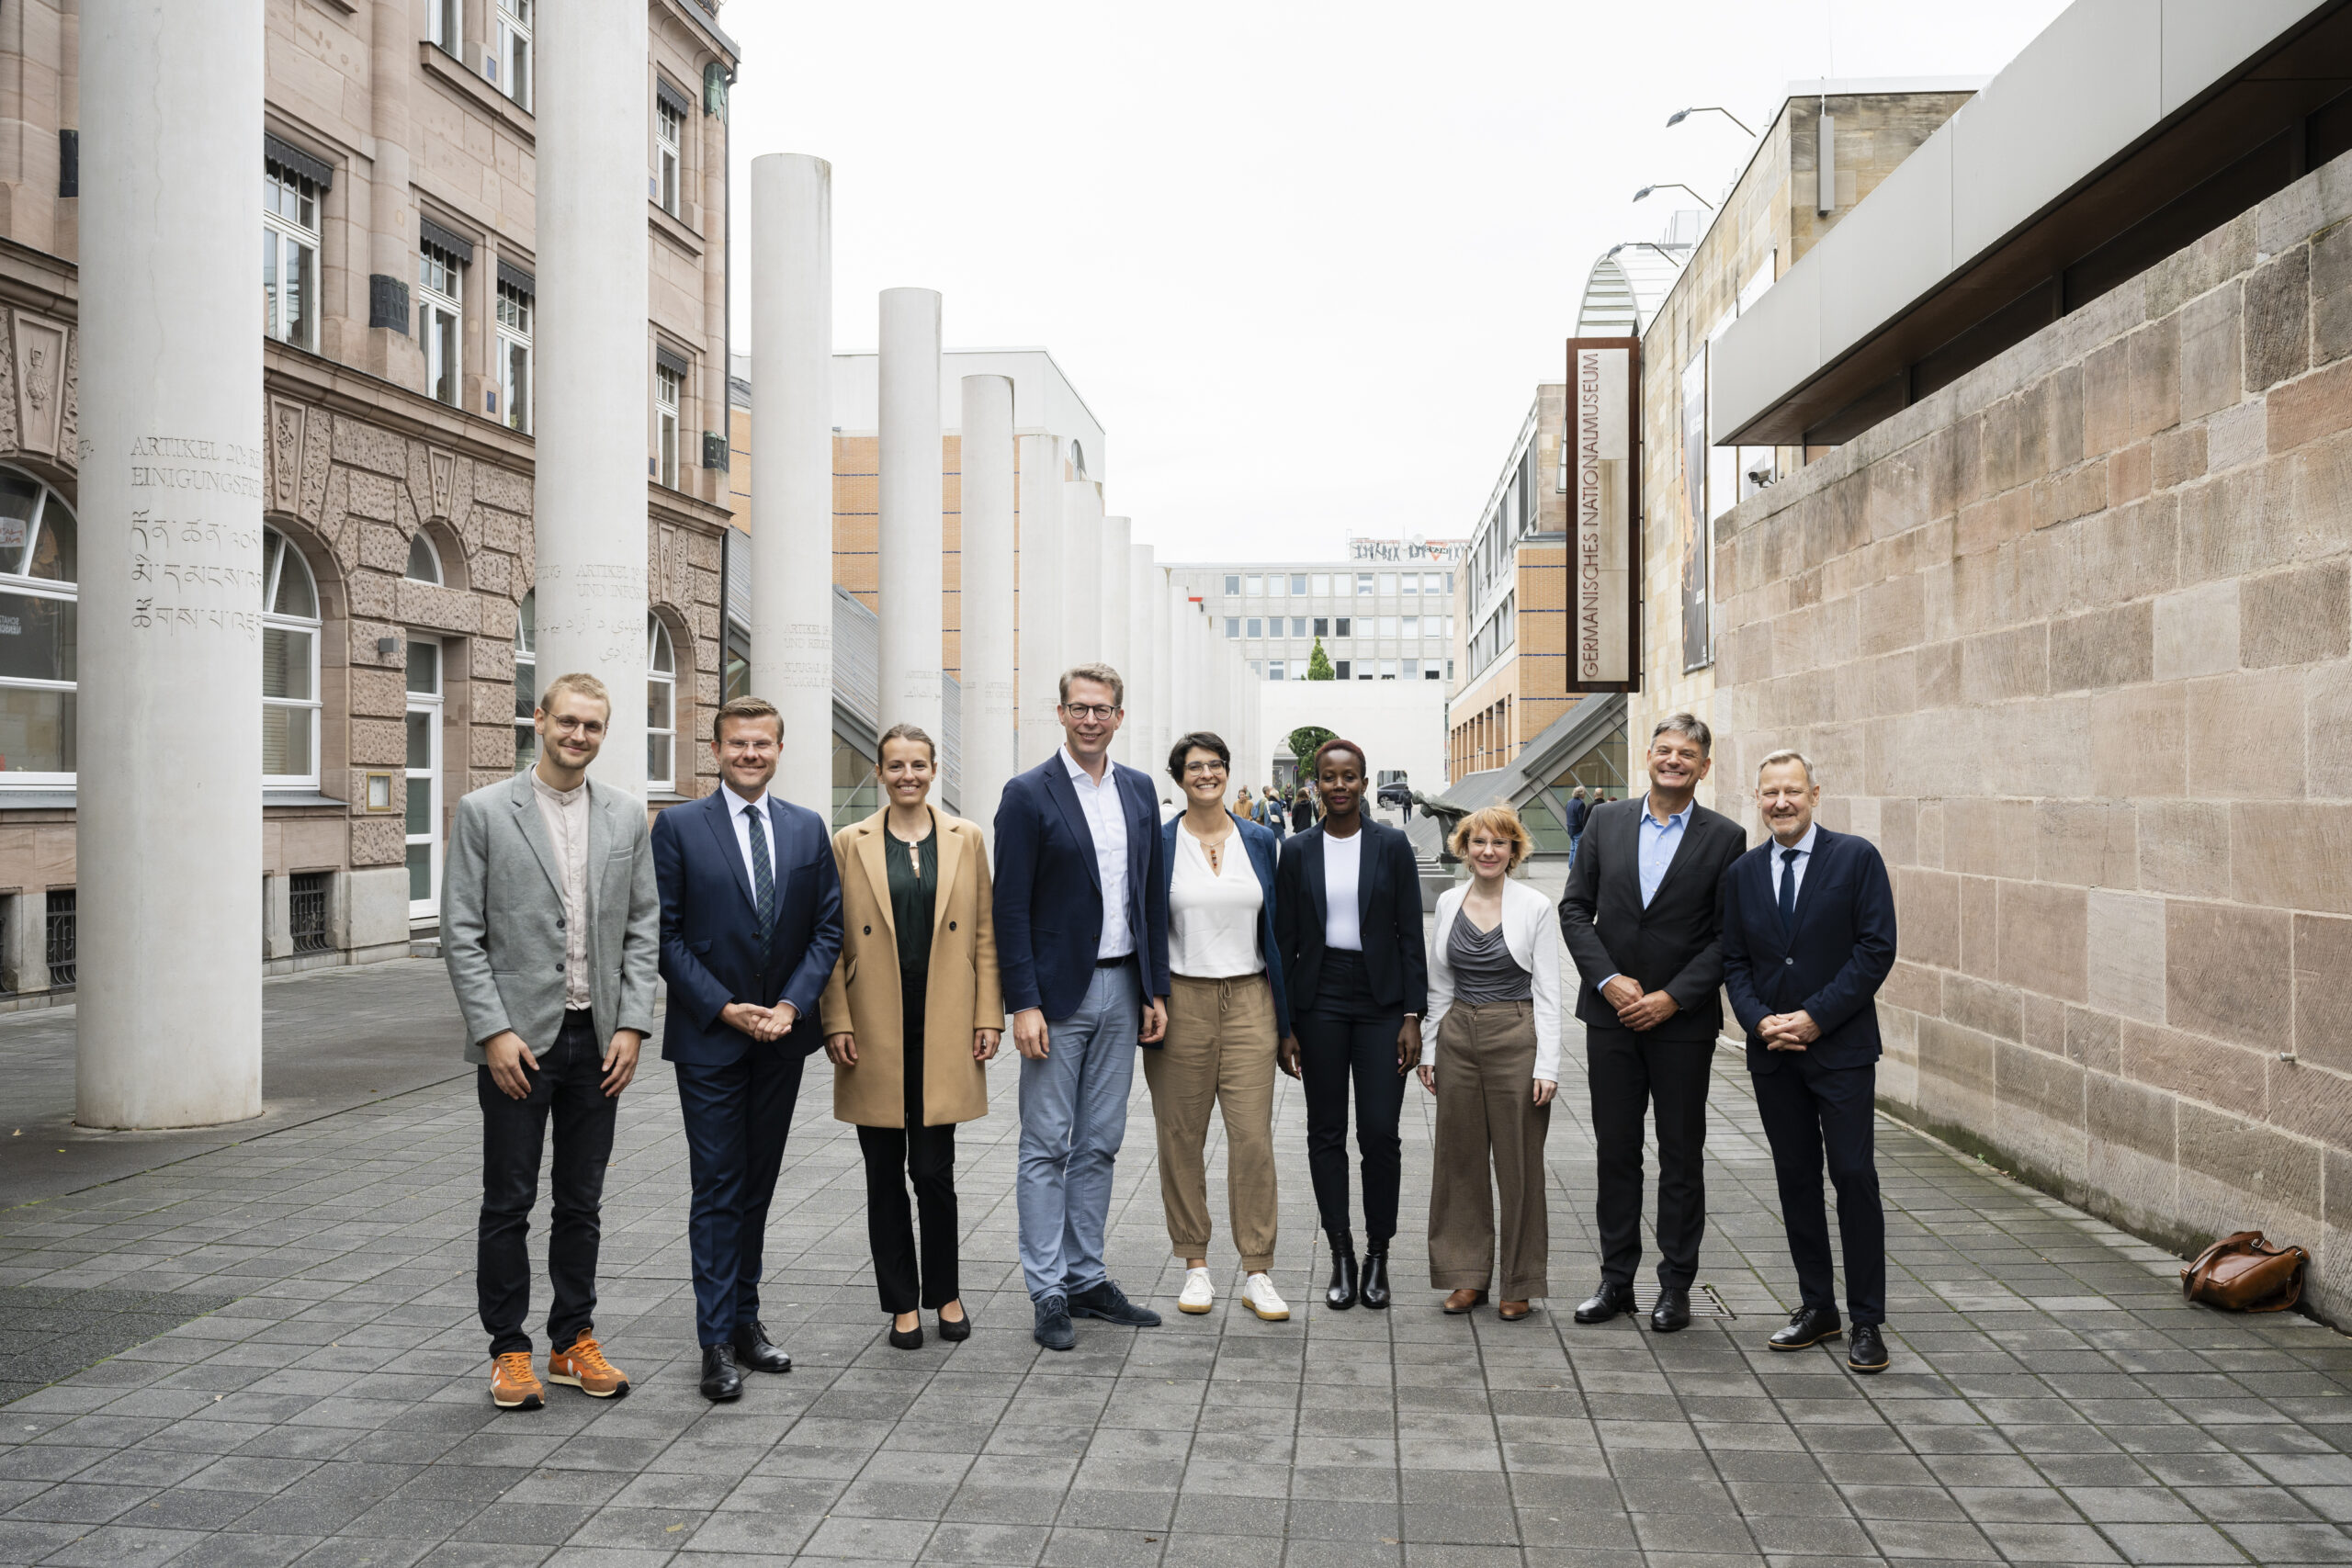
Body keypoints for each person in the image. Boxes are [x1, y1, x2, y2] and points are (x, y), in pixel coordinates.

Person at [444, 672, 656, 1411]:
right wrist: (492, 1031)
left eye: (593, 726)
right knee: (508, 1201)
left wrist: (631, 1022)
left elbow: (642, 926)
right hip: (518, 1047)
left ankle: (572, 1340)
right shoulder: (483, 812)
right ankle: (508, 1349)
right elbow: (461, 933)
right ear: (539, 720)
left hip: (596, 1041)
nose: (579, 736)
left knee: (583, 1201)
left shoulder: (628, 816)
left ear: (604, 732)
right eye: (567, 721)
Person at [652, 695, 843, 1401]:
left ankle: (746, 1322)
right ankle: (713, 1344)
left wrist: (791, 1005)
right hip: (710, 1039)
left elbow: (829, 927)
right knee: (718, 1186)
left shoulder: (805, 828)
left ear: (779, 749)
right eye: (739, 743)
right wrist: (727, 1007)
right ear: (717, 748)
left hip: (781, 1040)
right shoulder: (676, 828)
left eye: (762, 743)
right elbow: (665, 935)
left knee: (757, 1187)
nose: (751, 754)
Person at [993, 663, 1171, 1351]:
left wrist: (1155, 989)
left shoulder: (1138, 789)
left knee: (1101, 1140)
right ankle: (1047, 1289)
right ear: (1060, 713)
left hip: (1124, 989)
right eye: (1079, 708)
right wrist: (1023, 1002)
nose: (1091, 719)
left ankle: (1087, 1276)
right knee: (1046, 1143)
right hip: (1056, 997)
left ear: (1119, 716)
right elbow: (1009, 905)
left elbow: (1147, 896)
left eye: (1103, 709)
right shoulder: (1026, 793)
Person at [1556, 713, 1745, 1333]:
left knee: (1681, 1154)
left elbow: (1726, 937)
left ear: (1703, 766)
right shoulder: (1606, 822)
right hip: (1610, 1019)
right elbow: (1576, 908)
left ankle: (1675, 1286)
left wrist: (1673, 997)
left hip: (1681, 1023)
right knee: (1617, 1150)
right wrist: (1608, 980)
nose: (1673, 760)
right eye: (1664, 749)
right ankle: (1616, 1281)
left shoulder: (1725, 837)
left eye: (1686, 753)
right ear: (1649, 756)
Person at [820, 725, 1003, 1351]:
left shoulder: (966, 836)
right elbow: (833, 939)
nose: (908, 775)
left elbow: (984, 933)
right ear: (879, 772)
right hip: (874, 1025)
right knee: (882, 1171)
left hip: (944, 1021)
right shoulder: (850, 841)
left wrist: (989, 1015)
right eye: (895, 765)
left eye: (918, 764)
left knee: (933, 1170)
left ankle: (945, 1292)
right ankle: (902, 1304)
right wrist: (836, 1019)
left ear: (933, 769)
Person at [1721, 750, 1898, 1373]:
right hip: (1774, 1055)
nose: (1780, 802)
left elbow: (1876, 949)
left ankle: (1868, 1320)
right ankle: (1817, 1306)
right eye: (1769, 792)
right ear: (1758, 797)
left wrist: (1816, 1016)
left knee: (1853, 1177)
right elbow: (1734, 962)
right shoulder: (1742, 873)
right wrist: (1757, 1018)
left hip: (1841, 1051)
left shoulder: (1855, 859)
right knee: (1796, 1180)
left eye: (1792, 790)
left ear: (1815, 794)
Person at [1274, 739, 1427, 1312]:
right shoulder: (1298, 850)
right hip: (1319, 998)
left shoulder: (1391, 845)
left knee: (1381, 1133)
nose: (1339, 786)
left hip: (1382, 999)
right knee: (1326, 1131)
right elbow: (1285, 940)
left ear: (1364, 783)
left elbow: (1411, 934)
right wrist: (1284, 1024)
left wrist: (1413, 1014)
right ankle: (1340, 1251)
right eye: (1328, 778)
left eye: (1350, 777)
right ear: (1314, 785)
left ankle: (1378, 1254)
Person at [1148, 731, 1292, 1323]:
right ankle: (1195, 1265)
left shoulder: (1260, 839)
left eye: (1215, 765)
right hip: (1181, 1000)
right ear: (1178, 778)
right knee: (1180, 1136)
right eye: (1194, 767)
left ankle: (1257, 1269)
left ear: (1227, 773)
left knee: (1252, 1139)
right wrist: (1149, 996)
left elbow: (1279, 931)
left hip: (1251, 999)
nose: (1205, 774)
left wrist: (1287, 1022)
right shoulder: (1157, 844)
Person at [1419, 807, 1560, 1321]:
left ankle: (1519, 1282)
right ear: (1464, 847)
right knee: (1459, 1160)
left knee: (1520, 1163)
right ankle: (1465, 1276)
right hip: (1458, 1034)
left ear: (1515, 851)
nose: (1488, 851)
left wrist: (1547, 1065)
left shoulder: (1535, 905)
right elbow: (1440, 985)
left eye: (1500, 843)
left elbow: (1548, 990)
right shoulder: (1450, 901)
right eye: (1479, 841)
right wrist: (1431, 1049)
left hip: (1515, 1032)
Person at [1562, 786, 1589, 866]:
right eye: (1584, 793)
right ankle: (1575, 869)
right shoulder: (1581, 804)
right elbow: (1581, 820)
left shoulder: (1569, 802)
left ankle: (1571, 866)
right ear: (1581, 794)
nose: (1585, 794)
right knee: (1577, 850)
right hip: (1578, 830)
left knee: (1572, 849)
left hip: (1571, 829)